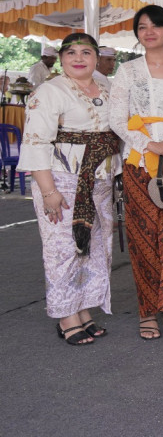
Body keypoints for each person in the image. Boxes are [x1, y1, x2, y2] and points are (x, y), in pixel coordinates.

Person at [18, 33, 120, 345]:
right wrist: (49, 192)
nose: (79, 58)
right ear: (61, 58)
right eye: (71, 52)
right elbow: (36, 142)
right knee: (63, 249)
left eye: (86, 52)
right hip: (61, 180)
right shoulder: (49, 91)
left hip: (98, 181)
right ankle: (66, 315)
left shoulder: (106, 86)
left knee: (94, 249)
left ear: (96, 58)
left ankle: (84, 308)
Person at [109, 5, 163, 340]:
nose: (149, 31)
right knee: (145, 238)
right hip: (140, 163)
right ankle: (148, 310)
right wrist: (151, 144)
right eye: (142, 27)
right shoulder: (128, 71)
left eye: (156, 26)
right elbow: (116, 118)